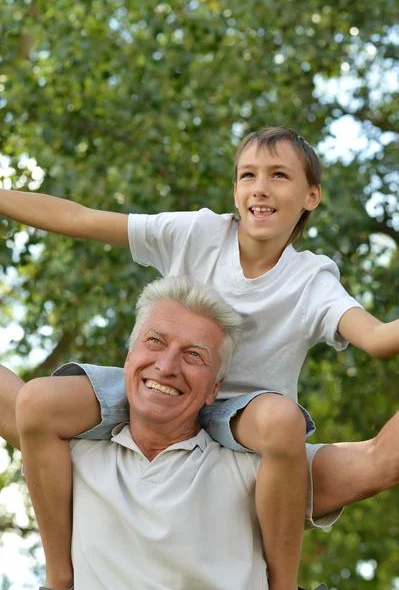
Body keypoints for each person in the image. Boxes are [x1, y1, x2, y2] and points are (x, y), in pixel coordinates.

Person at [1, 126, 399, 590]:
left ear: (311, 196)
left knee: (282, 423)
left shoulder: (311, 280)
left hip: (243, 418)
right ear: (234, 190)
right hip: (158, 397)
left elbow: (377, 341)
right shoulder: (198, 233)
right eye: (247, 175)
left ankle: (283, 584)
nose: (261, 187)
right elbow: (82, 218)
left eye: (278, 176)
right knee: (38, 403)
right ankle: (58, 576)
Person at [1, 277, 329, 590]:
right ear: (129, 358)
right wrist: (58, 579)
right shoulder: (76, 454)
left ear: (215, 388)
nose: (167, 366)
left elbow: (377, 461)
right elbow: (30, 406)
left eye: (194, 355)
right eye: (155, 341)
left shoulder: (255, 469)